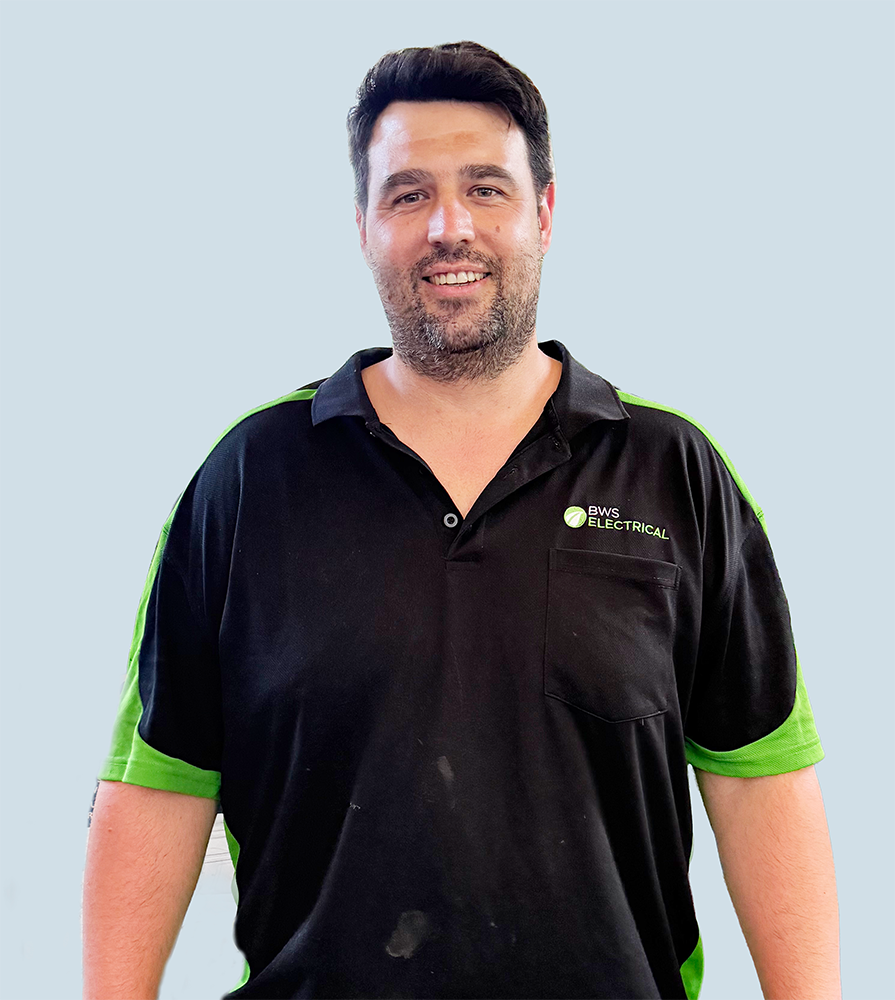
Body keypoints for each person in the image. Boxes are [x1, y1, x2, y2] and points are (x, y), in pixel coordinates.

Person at [83, 41, 840, 1000]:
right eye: (407, 194)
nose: (449, 226)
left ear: (544, 214)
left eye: (486, 188)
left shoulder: (672, 474)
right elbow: (160, 781)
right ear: (362, 224)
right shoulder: (248, 479)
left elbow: (759, 774)